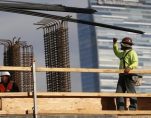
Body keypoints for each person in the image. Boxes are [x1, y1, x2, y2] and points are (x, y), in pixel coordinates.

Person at [113, 37, 138, 110]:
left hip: (129, 75)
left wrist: (129, 68)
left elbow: (135, 62)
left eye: (122, 44)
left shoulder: (132, 53)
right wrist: (114, 44)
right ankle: (121, 110)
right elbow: (116, 52)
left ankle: (133, 109)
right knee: (119, 92)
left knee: (131, 92)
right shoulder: (123, 53)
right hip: (122, 75)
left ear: (125, 45)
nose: (121, 46)